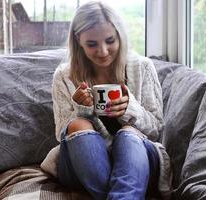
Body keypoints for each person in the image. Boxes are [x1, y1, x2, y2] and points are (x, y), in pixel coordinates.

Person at [41, 1, 172, 199]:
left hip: (136, 160)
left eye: (110, 40)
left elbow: (156, 129)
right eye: (92, 44)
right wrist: (81, 109)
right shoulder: (64, 76)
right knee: (78, 124)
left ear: (120, 35)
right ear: (78, 40)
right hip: (83, 163)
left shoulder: (142, 67)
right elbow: (62, 134)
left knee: (129, 132)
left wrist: (130, 108)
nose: (102, 51)